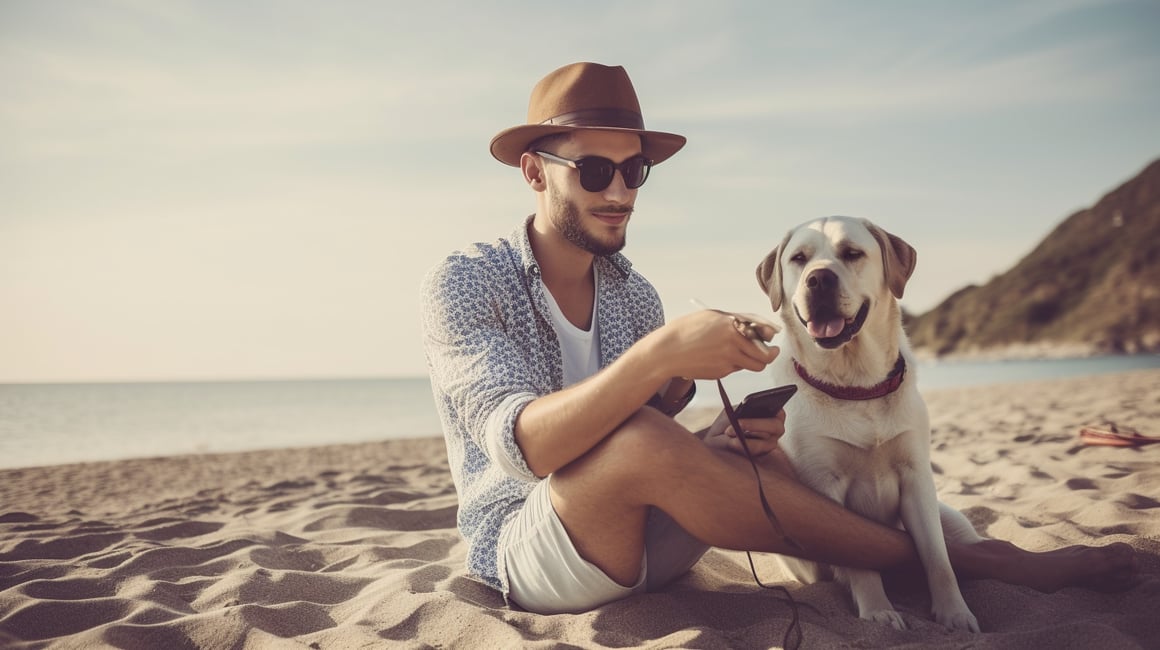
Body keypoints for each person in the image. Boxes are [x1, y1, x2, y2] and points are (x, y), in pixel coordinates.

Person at [420, 62, 1139, 615]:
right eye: (596, 170)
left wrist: (705, 438)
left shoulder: (632, 292)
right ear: (533, 172)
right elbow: (529, 449)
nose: (620, 192)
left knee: (766, 443)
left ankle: (936, 555)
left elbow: (651, 447)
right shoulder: (467, 282)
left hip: (648, 542)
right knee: (645, 440)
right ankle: (975, 562)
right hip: (526, 555)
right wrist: (659, 359)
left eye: (634, 169)